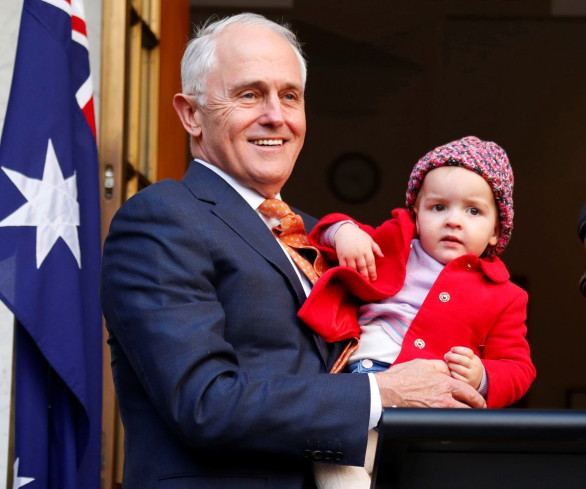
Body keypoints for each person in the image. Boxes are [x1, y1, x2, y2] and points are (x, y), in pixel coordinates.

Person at [99, 13, 486, 489]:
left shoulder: (313, 232)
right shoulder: (161, 217)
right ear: (191, 114)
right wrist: (382, 392)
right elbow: (204, 403)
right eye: (249, 94)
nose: (275, 116)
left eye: (289, 96)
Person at [299, 136, 536, 488]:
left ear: (496, 232)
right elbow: (324, 236)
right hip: (363, 384)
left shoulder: (505, 294)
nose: (454, 221)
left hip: (431, 410)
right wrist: (344, 232)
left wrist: (482, 376)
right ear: (416, 214)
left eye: (473, 211)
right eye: (438, 207)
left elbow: (519, 368)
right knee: (333, 452)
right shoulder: (393, 245)